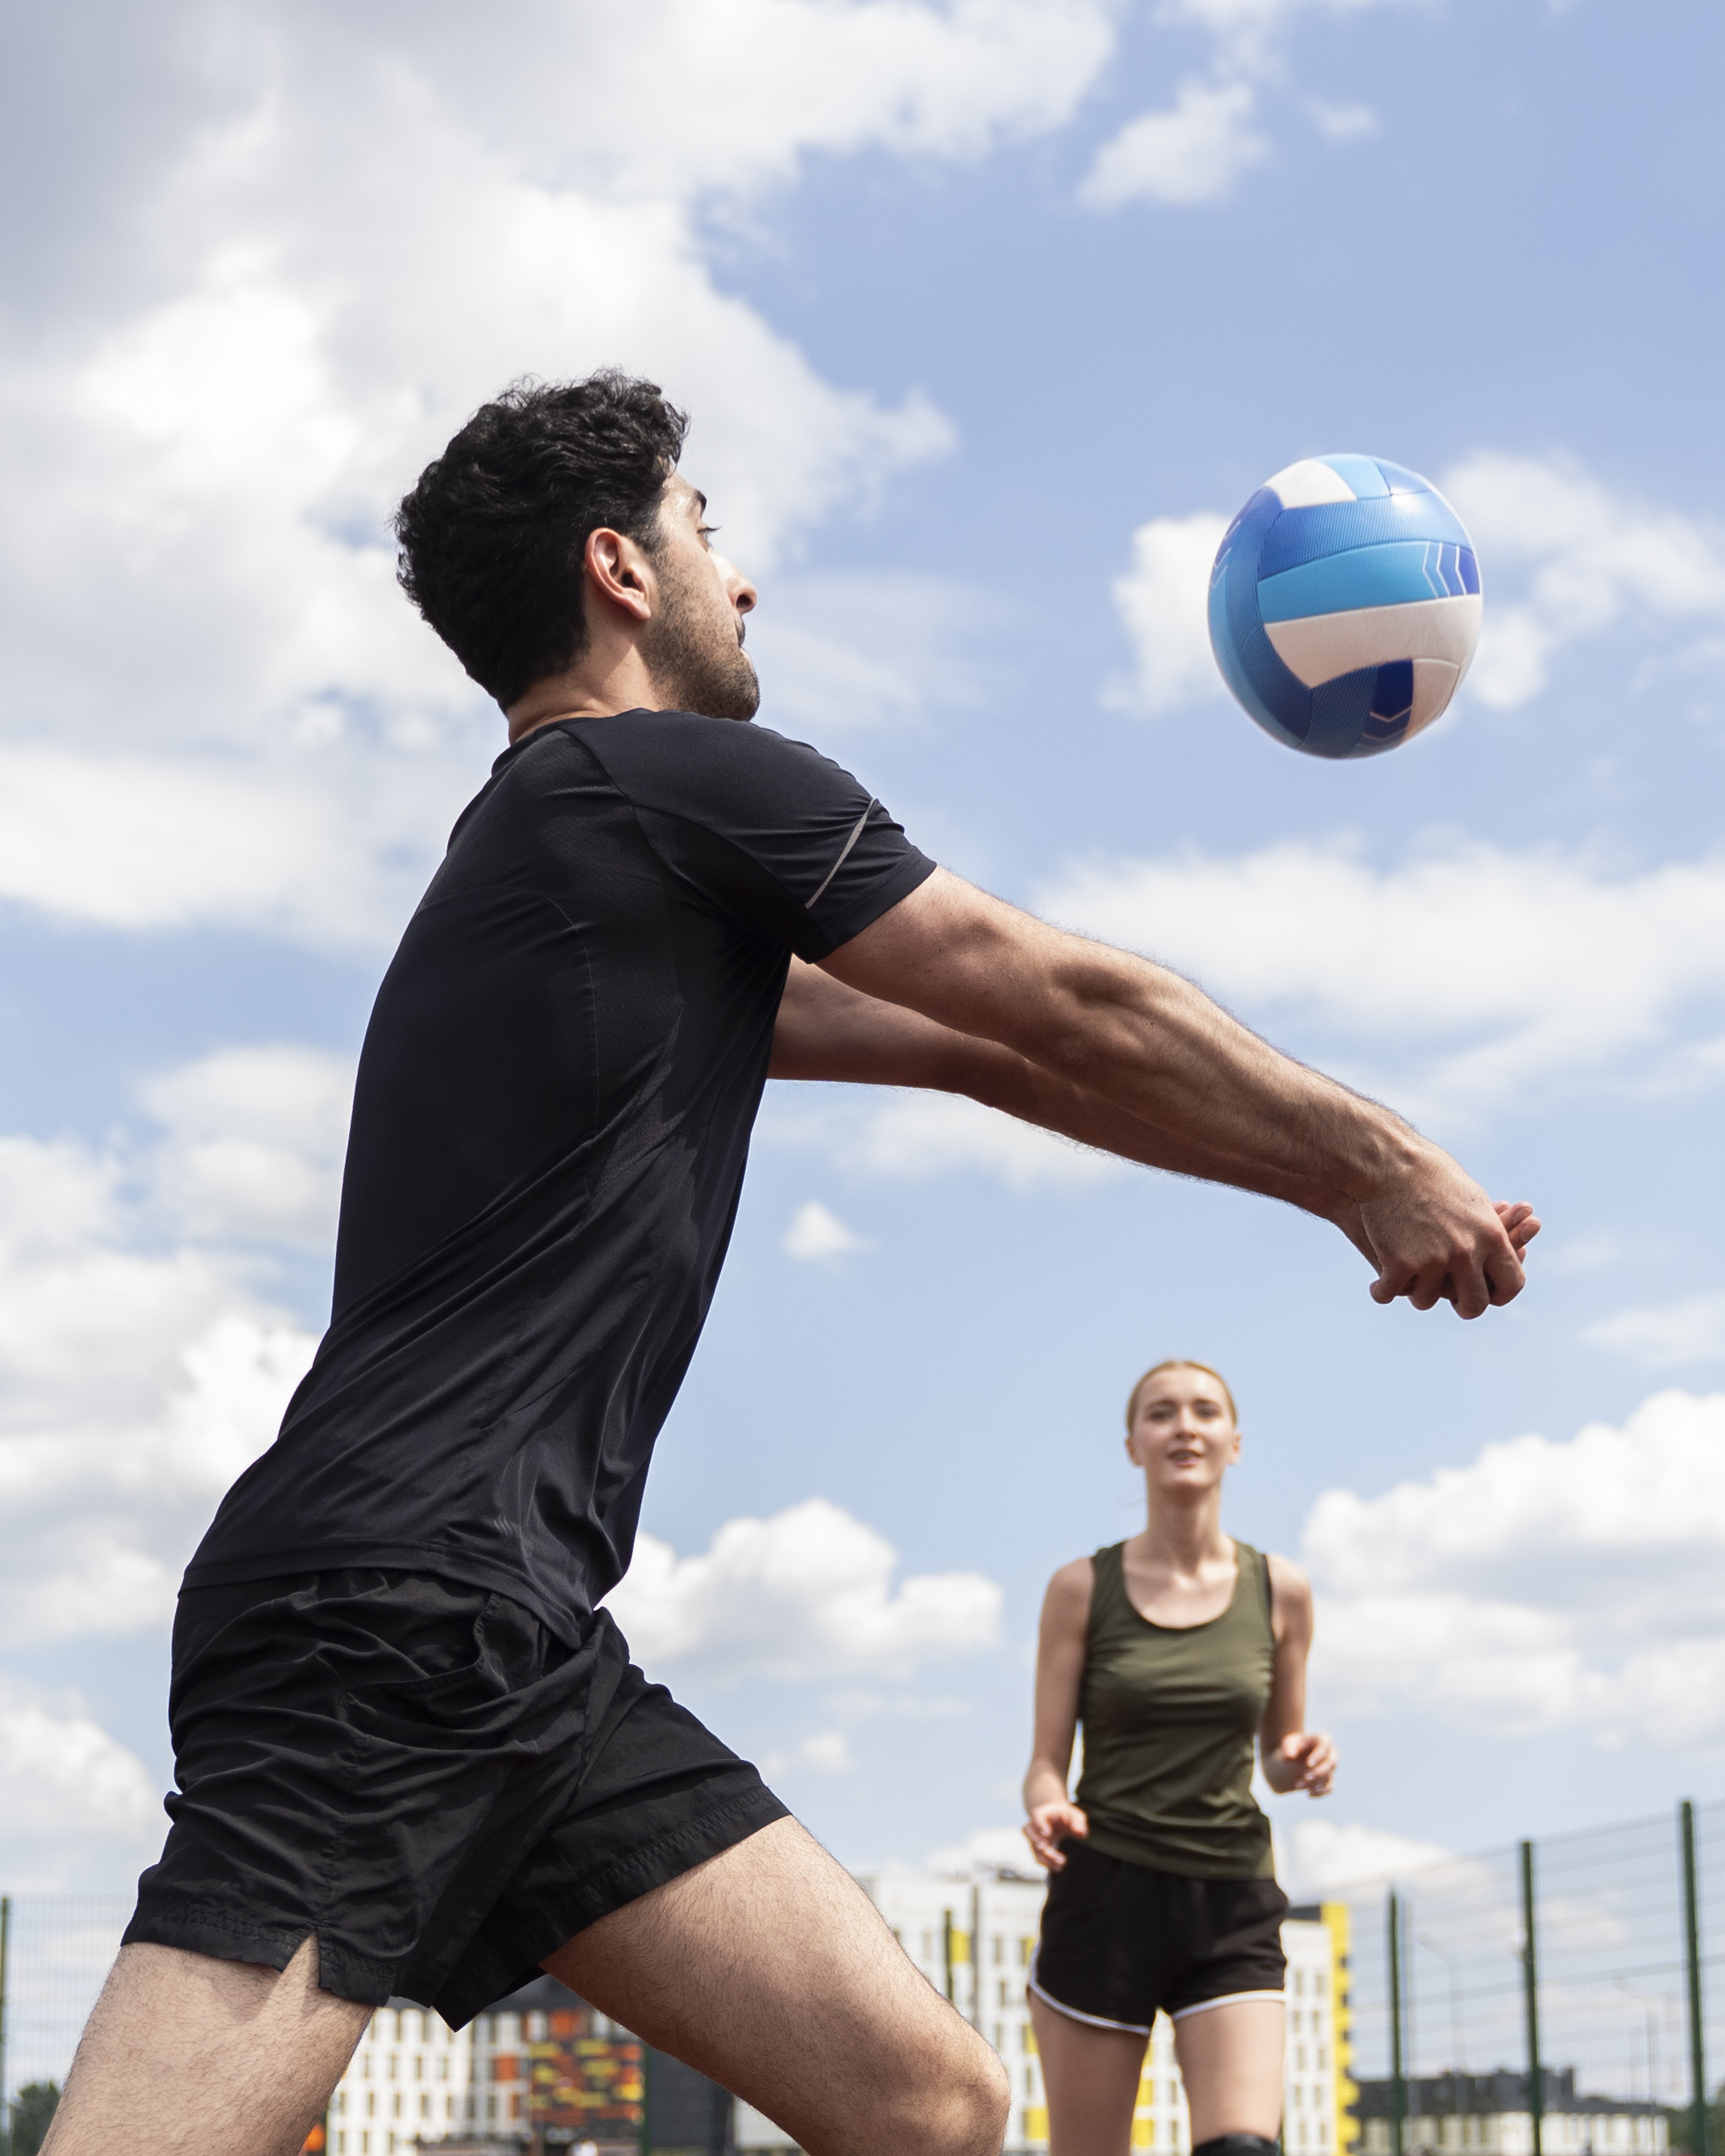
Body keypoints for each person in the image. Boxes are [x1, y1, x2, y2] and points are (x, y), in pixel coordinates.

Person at [45, 373, 1537, 2156]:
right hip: (386, 1615)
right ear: (619, 568)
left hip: (523, 1639)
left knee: (923, 2101)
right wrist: (1379, 1160)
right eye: (705, 528)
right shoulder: (654, 784)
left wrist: (1333, 1192)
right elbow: (1068, 998)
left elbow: (996, 1050)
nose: (738, 578)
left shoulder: (586, 863)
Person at [1021, 1359, 1336, 2156]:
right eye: (1160, 1413)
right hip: (1105, 1896)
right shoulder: (1079, 1588)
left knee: (1242, 2150)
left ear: (1235, 1441)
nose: (1184, 1427)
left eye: (1204, 1411)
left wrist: (1298, 1759)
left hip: (1230, 1895)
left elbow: (1275, 1756)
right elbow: (1046, 1763)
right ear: (1133, 1445)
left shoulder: (1281, 1589)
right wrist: (1047, 1805)